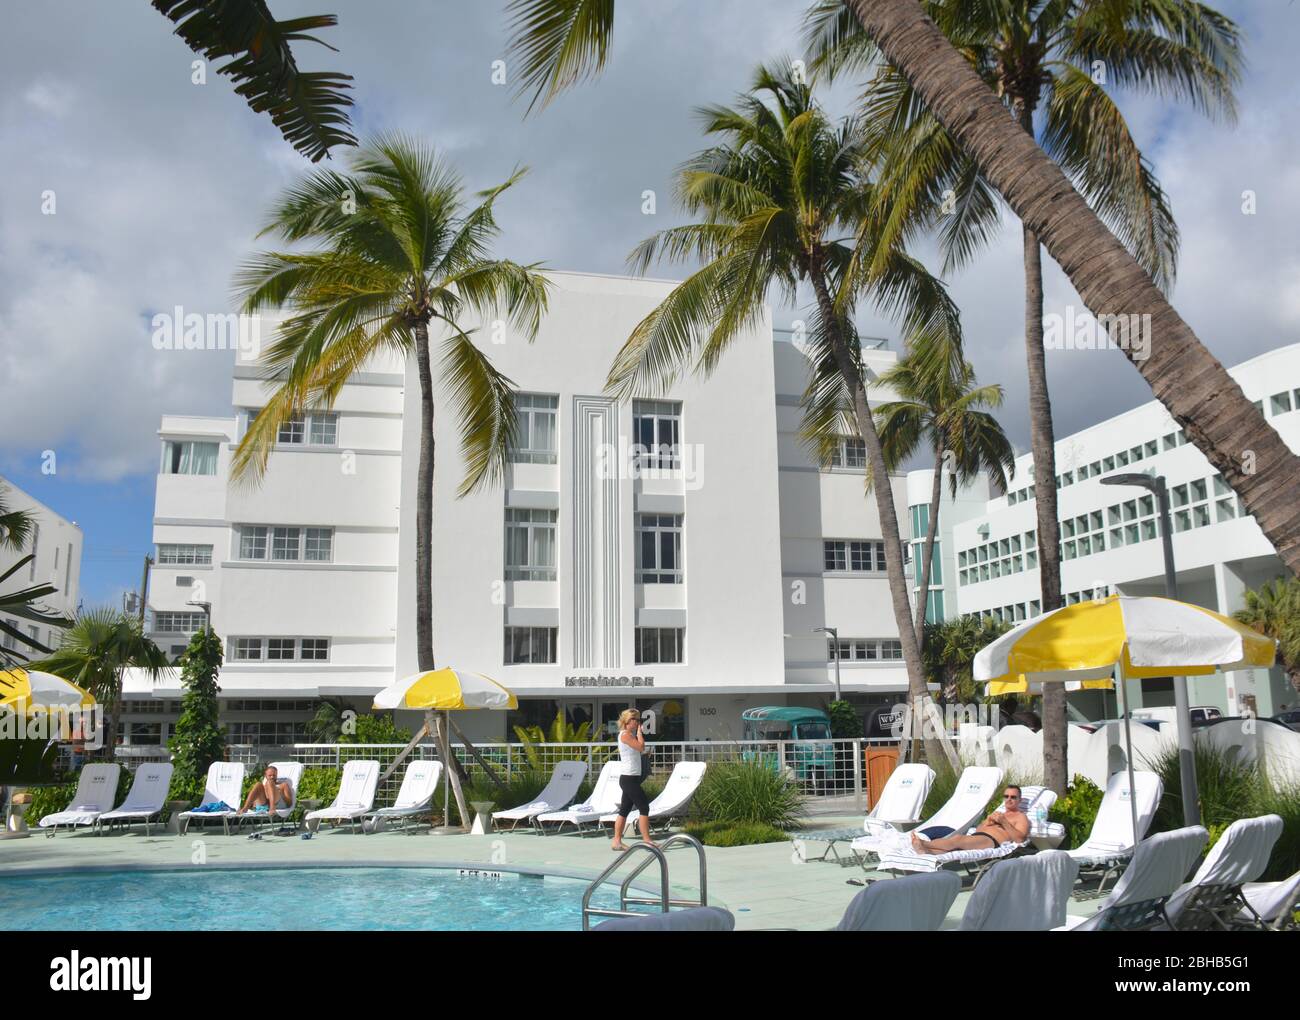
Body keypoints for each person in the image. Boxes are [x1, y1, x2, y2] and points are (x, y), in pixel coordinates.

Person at [909, 786, 1030, 855]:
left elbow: (1020, 839)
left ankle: (924, 844)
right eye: (1006, 796)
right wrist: (987, 821)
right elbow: (979, 830)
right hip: (978, 836)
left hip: (991, 842)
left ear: (1020, 800)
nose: (1009, 799)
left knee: (957, 839)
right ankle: (927, 851)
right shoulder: (999, 814)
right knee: (954, 849)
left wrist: (1004, 822)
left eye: (1013, 797)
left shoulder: (1021, 817)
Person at [611, 709, 653, 852]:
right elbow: (641, 747)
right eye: (636, 720)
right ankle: (647, 841)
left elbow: (638, 751)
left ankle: (616, 842)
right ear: (628, 721)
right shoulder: (625, 735)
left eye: (638, 720)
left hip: (631, 778)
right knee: (644, 807)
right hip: (628, 779)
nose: (638, 722)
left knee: (624, 810)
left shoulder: (629, 735)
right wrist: (640, 734)